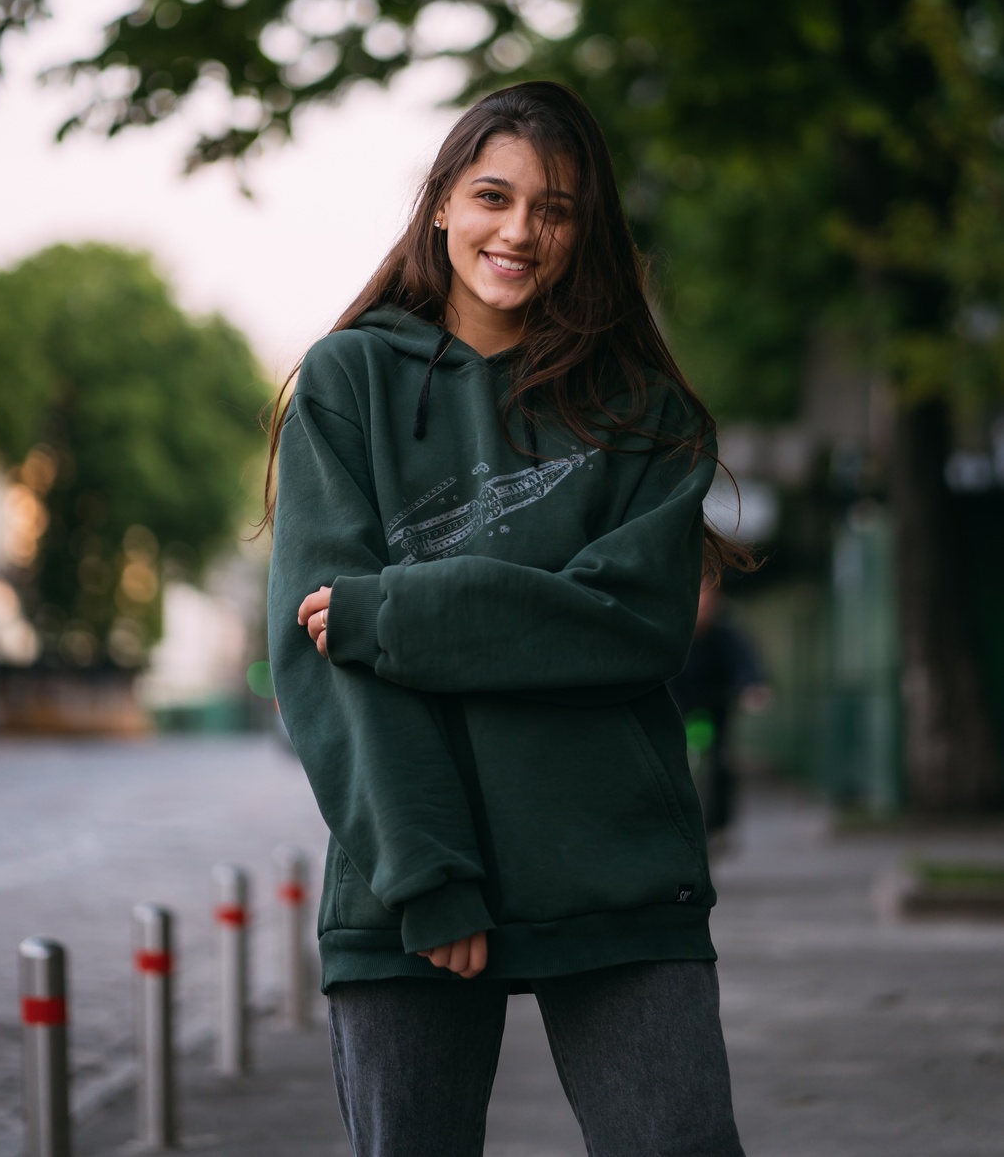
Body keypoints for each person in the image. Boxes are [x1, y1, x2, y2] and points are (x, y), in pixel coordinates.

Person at [267, 81, 751, 1157]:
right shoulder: (349, 385)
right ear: (441, 204)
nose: (520, 231)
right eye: (494, 195)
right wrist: (429, 875)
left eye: (557, 208)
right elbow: (322, 669)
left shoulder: (646, 414)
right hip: (410, 884)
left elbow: (626, 627)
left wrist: (389, 610)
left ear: (587, 234)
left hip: (615, 867)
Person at [669, 583, 771, 837]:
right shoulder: (673, 633)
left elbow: (745, 662)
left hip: (716, 709)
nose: (703, 610)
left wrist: (754, 686)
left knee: (721, 763)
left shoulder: (725, 634)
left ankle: (719, 825)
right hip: (678, 708)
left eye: (708, 604)